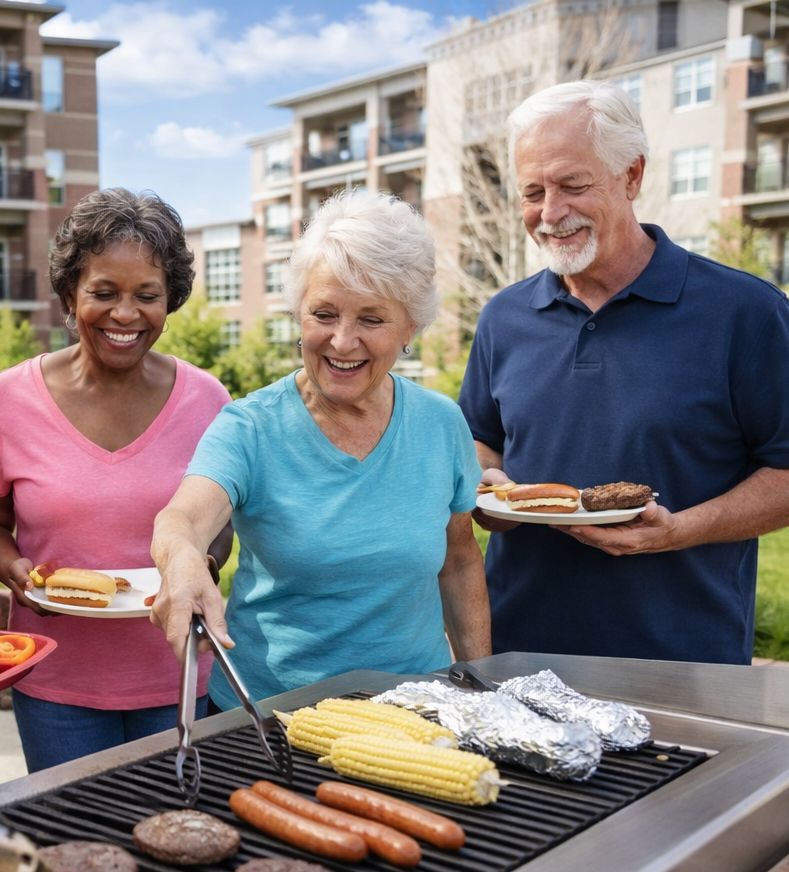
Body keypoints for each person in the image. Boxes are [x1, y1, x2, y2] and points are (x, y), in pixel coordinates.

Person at [460, 81, 789, 664]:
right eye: (532, 192)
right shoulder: (503, 317)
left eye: (573, 185)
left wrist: (678, 530)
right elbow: (481, 443)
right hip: (519, 657)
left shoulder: (747, 312)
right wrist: (489, 490)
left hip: (687, 663)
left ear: (632, 176)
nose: (550, 213)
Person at [150, 189, 491, 701]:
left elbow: (459, 561)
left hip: (416, 708)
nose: (342, 341)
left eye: (371, 319)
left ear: (410, 328)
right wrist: (181, 562)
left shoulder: (442, 424)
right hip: (270, 717)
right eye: (324, 314)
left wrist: (480, 685)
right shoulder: (250, 427)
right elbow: (183, 520)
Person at [0, 189, 231, 771]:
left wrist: (197, 571)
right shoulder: (8, 400)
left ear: (171, 301)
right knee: (71, 846)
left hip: (178, 674)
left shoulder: (208, 401)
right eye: (103, 293)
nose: (125, 314)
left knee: (176, 839)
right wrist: (16, 573)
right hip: (55, 678)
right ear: (69, 294)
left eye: (147, 296)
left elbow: (219, 526)